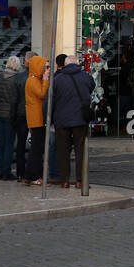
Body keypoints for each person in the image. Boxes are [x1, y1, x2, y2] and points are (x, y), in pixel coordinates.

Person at [51, 51, 95, 189]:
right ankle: (79, 181)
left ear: (64, 65)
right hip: (80, 120)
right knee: (80, 151)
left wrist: (49, 118)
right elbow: (92, 87)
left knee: (63, 151)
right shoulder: (85, 77)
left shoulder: (57, 79)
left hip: (61, 121)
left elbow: (50, 100)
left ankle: (64, 181)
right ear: (77, 64)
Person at [0, 55, 23, 181]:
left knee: (0, 144)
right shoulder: (16, 79)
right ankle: (6, 171)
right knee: (9, 144)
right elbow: (17, 98)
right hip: (10, 115)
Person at [22, 54, 51, 184]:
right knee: (36, 150)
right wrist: (45, 79)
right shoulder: (33, 80)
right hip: (36, 119)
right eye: (45, 67)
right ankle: (34, 176)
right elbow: (42, 94)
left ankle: (30, 175)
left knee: (37, 149)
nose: (47, 70)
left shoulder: (33, 79)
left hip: (37, 118)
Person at [11, 55, 31, 180]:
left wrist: (13, 115)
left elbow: (14, 99)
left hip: (21, 113)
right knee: (36, 145)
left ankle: (20, 172)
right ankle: (33, 171)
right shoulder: (39, 78)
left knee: (21, 145)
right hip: (33, 114)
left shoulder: (18, 78)